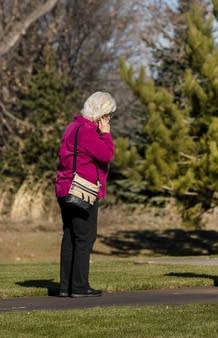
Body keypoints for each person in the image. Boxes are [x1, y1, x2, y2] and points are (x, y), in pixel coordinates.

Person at [55, 91, 116, 297]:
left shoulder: (72, 127)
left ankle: (66, 286)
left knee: (70, 236)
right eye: (108, 116)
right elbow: (106, 155)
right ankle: (80, 286)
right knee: (85, 237)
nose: (108, 120)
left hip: (64, 188)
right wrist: (106, 133)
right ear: (101, 115)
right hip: (82, 190)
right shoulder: (88, 131)